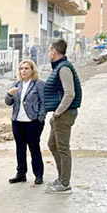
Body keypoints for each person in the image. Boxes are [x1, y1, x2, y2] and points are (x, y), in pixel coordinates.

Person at [43, 38, 82, 193]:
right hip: (60, 114)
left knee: (63, 148)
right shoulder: (59, 67)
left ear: (54, 51)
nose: (48, 53)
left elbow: (69, 93)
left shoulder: (63, 68)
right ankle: (61, 178)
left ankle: (64, 183)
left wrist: (58, 112)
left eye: (49, 50)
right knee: (53, 145)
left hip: (64, 114)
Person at [4, 59, 46, 184]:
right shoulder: (17, 84)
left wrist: (40, 117)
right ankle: (21, 174)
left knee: (34, 148)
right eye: (21, 69)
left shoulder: (38, 84)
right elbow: (7, 102)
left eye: (26, 68)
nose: (23, 71)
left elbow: (44, 102)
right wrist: (9, 94)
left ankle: (38, 174)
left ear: (32, 70)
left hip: (32, 121)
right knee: (20, 148)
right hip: (18, 121)